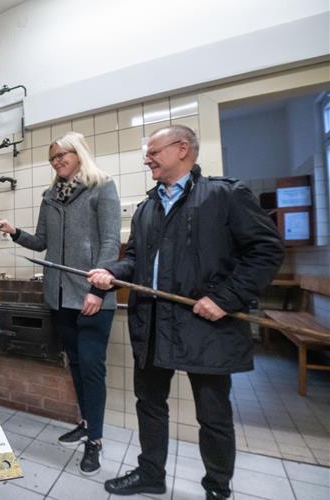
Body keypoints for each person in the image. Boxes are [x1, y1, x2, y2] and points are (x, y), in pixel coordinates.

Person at [88, 125, 284, 499]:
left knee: (213, 415)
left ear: (182, 149)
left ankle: (217, 488)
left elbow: (266, 251)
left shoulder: (225, 195)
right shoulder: (147, 208)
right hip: (153, 323)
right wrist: (111, 273)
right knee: (149, 404)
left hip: (206, 324)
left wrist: (226, 298)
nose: (147, 159)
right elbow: (135, 261)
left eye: (153, 152)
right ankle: (151, 475)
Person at [0, 132, 120, 475]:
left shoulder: (102, 187)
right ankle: (84, 423)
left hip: (92, 297)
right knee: (76, 365)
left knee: (93, 369)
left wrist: (99, 291)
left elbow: (111, 243)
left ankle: (94, 441)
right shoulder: (50, 196)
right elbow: (41, 243)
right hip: (60, 297)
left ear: (78, 153)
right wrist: (14, 231)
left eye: (61, 155)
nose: (57, 161)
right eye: (52, 158)